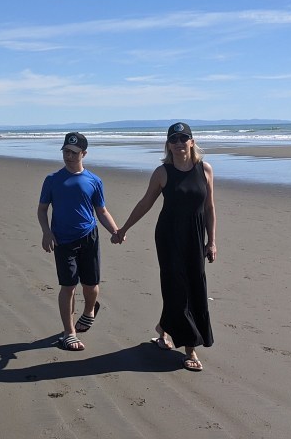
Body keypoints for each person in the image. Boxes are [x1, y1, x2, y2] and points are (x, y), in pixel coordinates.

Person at [116, 122, 217, 371]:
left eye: (183, 138)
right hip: (169, 236)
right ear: (168, 145)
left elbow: (209, 207)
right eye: (174, 139)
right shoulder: (162, 173)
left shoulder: (205, 169)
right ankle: (190, 349)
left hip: (196, 235)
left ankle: (162, 328)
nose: (179, 143)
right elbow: (145, 203)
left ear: (192, 142)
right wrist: (123, 229)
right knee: (176, 287)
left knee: (196, 285)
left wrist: (212, 241)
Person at [38, 132, 120, 351]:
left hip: (88, 237)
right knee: (68, 286)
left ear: (84, 153)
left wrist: (115, 231)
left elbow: (101, 211)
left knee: (91, 286)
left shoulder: (94, 181)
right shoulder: (52, 180)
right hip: (62, 240)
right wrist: (46, 232)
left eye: (74, 153)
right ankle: (69, 332)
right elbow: (42, 209)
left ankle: (89, 310)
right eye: (66, 151)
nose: (69, 156)